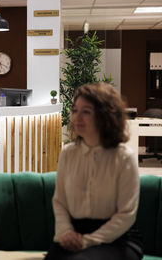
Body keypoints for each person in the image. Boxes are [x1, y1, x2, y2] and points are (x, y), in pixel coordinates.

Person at [45, 83, 143, 260]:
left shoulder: (124, 158)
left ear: (104, 116)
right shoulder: (68, 153)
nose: (77, 118)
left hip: (117, 240)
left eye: (86, 112)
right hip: (73, 234)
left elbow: (126, 214)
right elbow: (59, 201)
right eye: (75, 110)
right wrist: (65, 232)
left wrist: (87, 241)